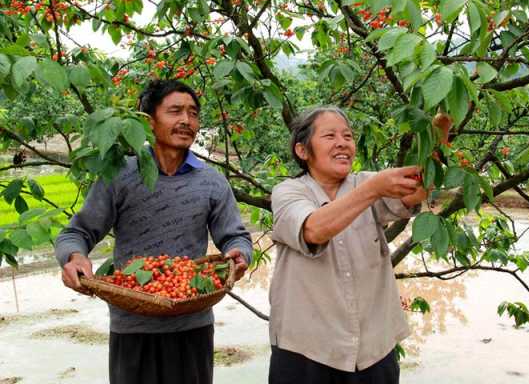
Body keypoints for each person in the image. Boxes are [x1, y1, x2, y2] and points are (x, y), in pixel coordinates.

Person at [54, 79, 253, 384]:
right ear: (149, 120)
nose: (186, 120)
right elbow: (76, 233)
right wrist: (74, 257)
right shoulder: (119, 176)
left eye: (193, 113)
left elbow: (235, 237)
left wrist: (239, 254)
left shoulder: (212, 181)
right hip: (133, 328)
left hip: (192, 325)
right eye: (175, 111)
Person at [268, 106, 427, 383]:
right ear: (302, 151)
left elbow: (418, 188)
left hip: (373, 352)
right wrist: (373, 188)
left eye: (348, 136)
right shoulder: (288, 192)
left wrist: (439, 131)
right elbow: (314, 229)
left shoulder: (364, 183)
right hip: (307, 352)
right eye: (329, 136)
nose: (342, 143)